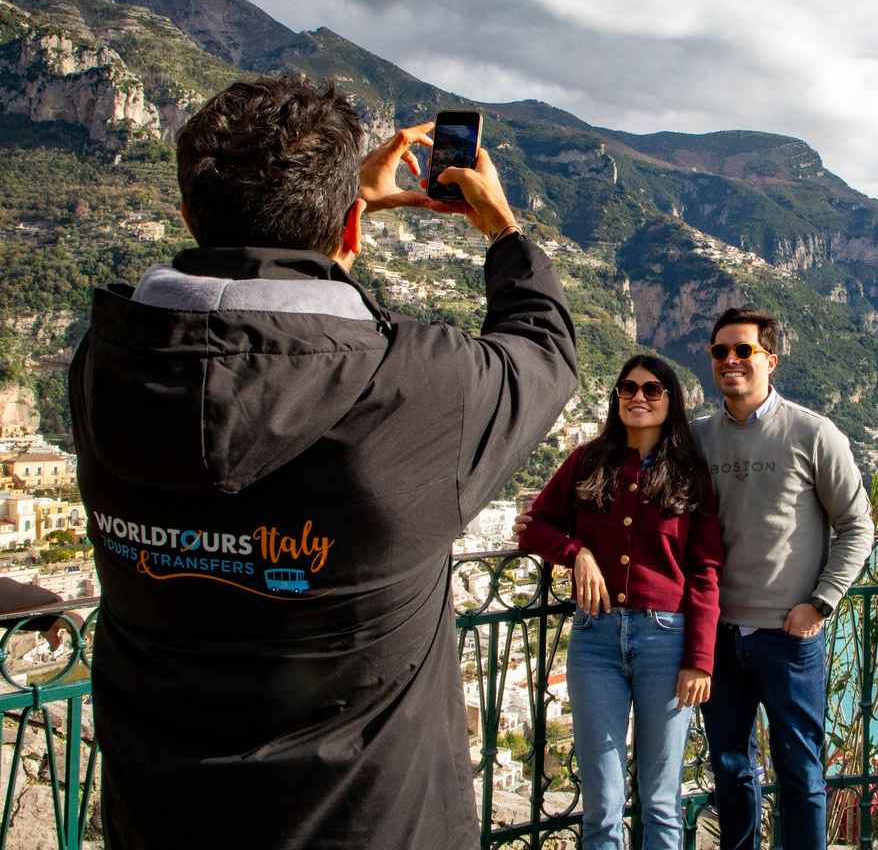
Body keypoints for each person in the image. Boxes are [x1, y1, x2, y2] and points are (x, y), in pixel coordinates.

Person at [68, 77, 577, 850]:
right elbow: (543, 348)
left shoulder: (102, 369)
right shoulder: (417, 388)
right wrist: (501, 226)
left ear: (187, 216)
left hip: (158, 820)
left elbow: (249, 336)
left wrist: (341, 216)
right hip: (372, 826)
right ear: (350, 228)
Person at [516, 355, 723, 850]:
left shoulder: (691, 474)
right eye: (628, 388)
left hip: (666, 643)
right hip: (596, 641)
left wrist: (700, 659)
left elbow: (706, 569)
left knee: (661, 800)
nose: (638, 397)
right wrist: (577, 553)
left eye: (652, 390)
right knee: (603, 803)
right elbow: (534, 527)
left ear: (671, 400)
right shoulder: (587, 462)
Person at [692, 306, 874, 850]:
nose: (730, 360)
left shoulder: (814, 433)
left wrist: (820, 603)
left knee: (801, 774)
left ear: (770, 360)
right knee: (730, 771)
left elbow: (858, 525)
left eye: (743, 350)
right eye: (720, 351)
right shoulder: (696, 438)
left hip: (788, 638)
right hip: (718, 636)